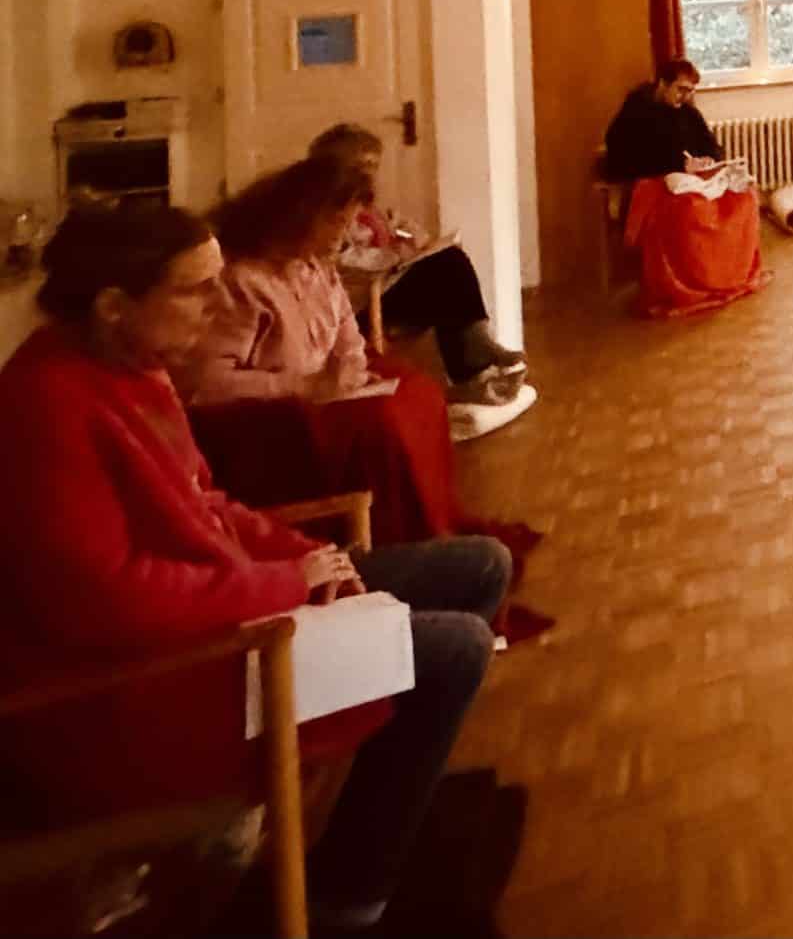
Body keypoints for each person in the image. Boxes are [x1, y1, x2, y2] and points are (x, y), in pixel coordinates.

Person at [0, 203, 507, 931]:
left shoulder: (133, 367)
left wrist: (307, 556)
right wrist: (284, 584)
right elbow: (108, 600)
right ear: (114, 306)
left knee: (479, 565)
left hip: (225, 615)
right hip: (147, 687)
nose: (217, 303)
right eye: (195, 288)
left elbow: (206, 502)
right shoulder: (45, 406)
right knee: (453, 648)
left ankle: (378, 809)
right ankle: (345, 895)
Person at [183, 161, 546, 579]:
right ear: (301, 217)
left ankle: (432, 527)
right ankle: (398, 547)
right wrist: (304, 386)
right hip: (268, 422)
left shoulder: (316, 267)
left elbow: (347, 337)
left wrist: (353, 368)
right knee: (381, 426)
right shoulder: (242, 282)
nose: (343, 234)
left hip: (320, 393)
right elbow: (207, 384)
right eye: (337, 222)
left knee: (418, 393)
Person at [309, 123, 527, 410]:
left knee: (449, 268)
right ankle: (474, 361)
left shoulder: (368, 207)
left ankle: (475, 362)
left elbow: (390, 242)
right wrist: (395, 254)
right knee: (448, 267)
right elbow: (345, 260)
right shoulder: (327, 211)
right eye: (363, 166)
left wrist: (410, 237)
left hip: (384, 285)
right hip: (359, 305)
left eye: (374, 165)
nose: (371, 173)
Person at [602, 58, 766, 317]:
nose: (685, 96)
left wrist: (709, 159)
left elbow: (710, 144)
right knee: (692, 209)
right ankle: (694, 285)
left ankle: (730, 277)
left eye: (690, 91)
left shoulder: (688, 112)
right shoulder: (636, 112)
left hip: (694, 179)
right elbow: (624, 157)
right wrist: (676, 164)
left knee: (744, 195)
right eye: (680, 89)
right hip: (654, 182)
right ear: (662, 84)